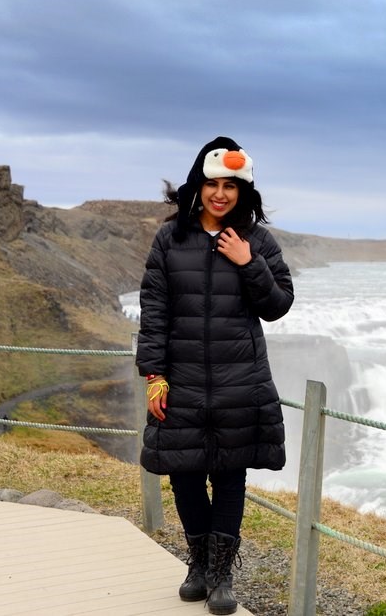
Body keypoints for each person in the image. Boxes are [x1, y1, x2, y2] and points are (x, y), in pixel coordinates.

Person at [135, 136, 294, 615]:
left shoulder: (257, 241)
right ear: (197, 186)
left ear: (244, 192)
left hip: (239, 382)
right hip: (179, 380)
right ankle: (198, 564)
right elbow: (154, 308)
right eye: (213, 184)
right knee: (184, 474)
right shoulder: (171, 238)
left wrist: (249, 264)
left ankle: (222, 575)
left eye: (231, 186)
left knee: (229, 476)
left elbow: (278, 305)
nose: (220, 194)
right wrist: (154, 374)